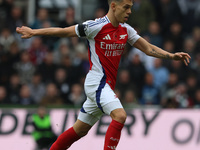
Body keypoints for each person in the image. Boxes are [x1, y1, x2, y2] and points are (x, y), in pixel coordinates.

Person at [16, 0, 191, 149]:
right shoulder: (95, 26)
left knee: (80, 130)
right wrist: (34, 32)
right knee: (120, 116)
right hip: (97, 82)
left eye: (131, 7)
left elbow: (148, 48)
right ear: (114, 6)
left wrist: (171, 55)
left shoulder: (126, 30)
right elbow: (63, 30)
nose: (129, 11)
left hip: (106, 86)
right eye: (126, 7)